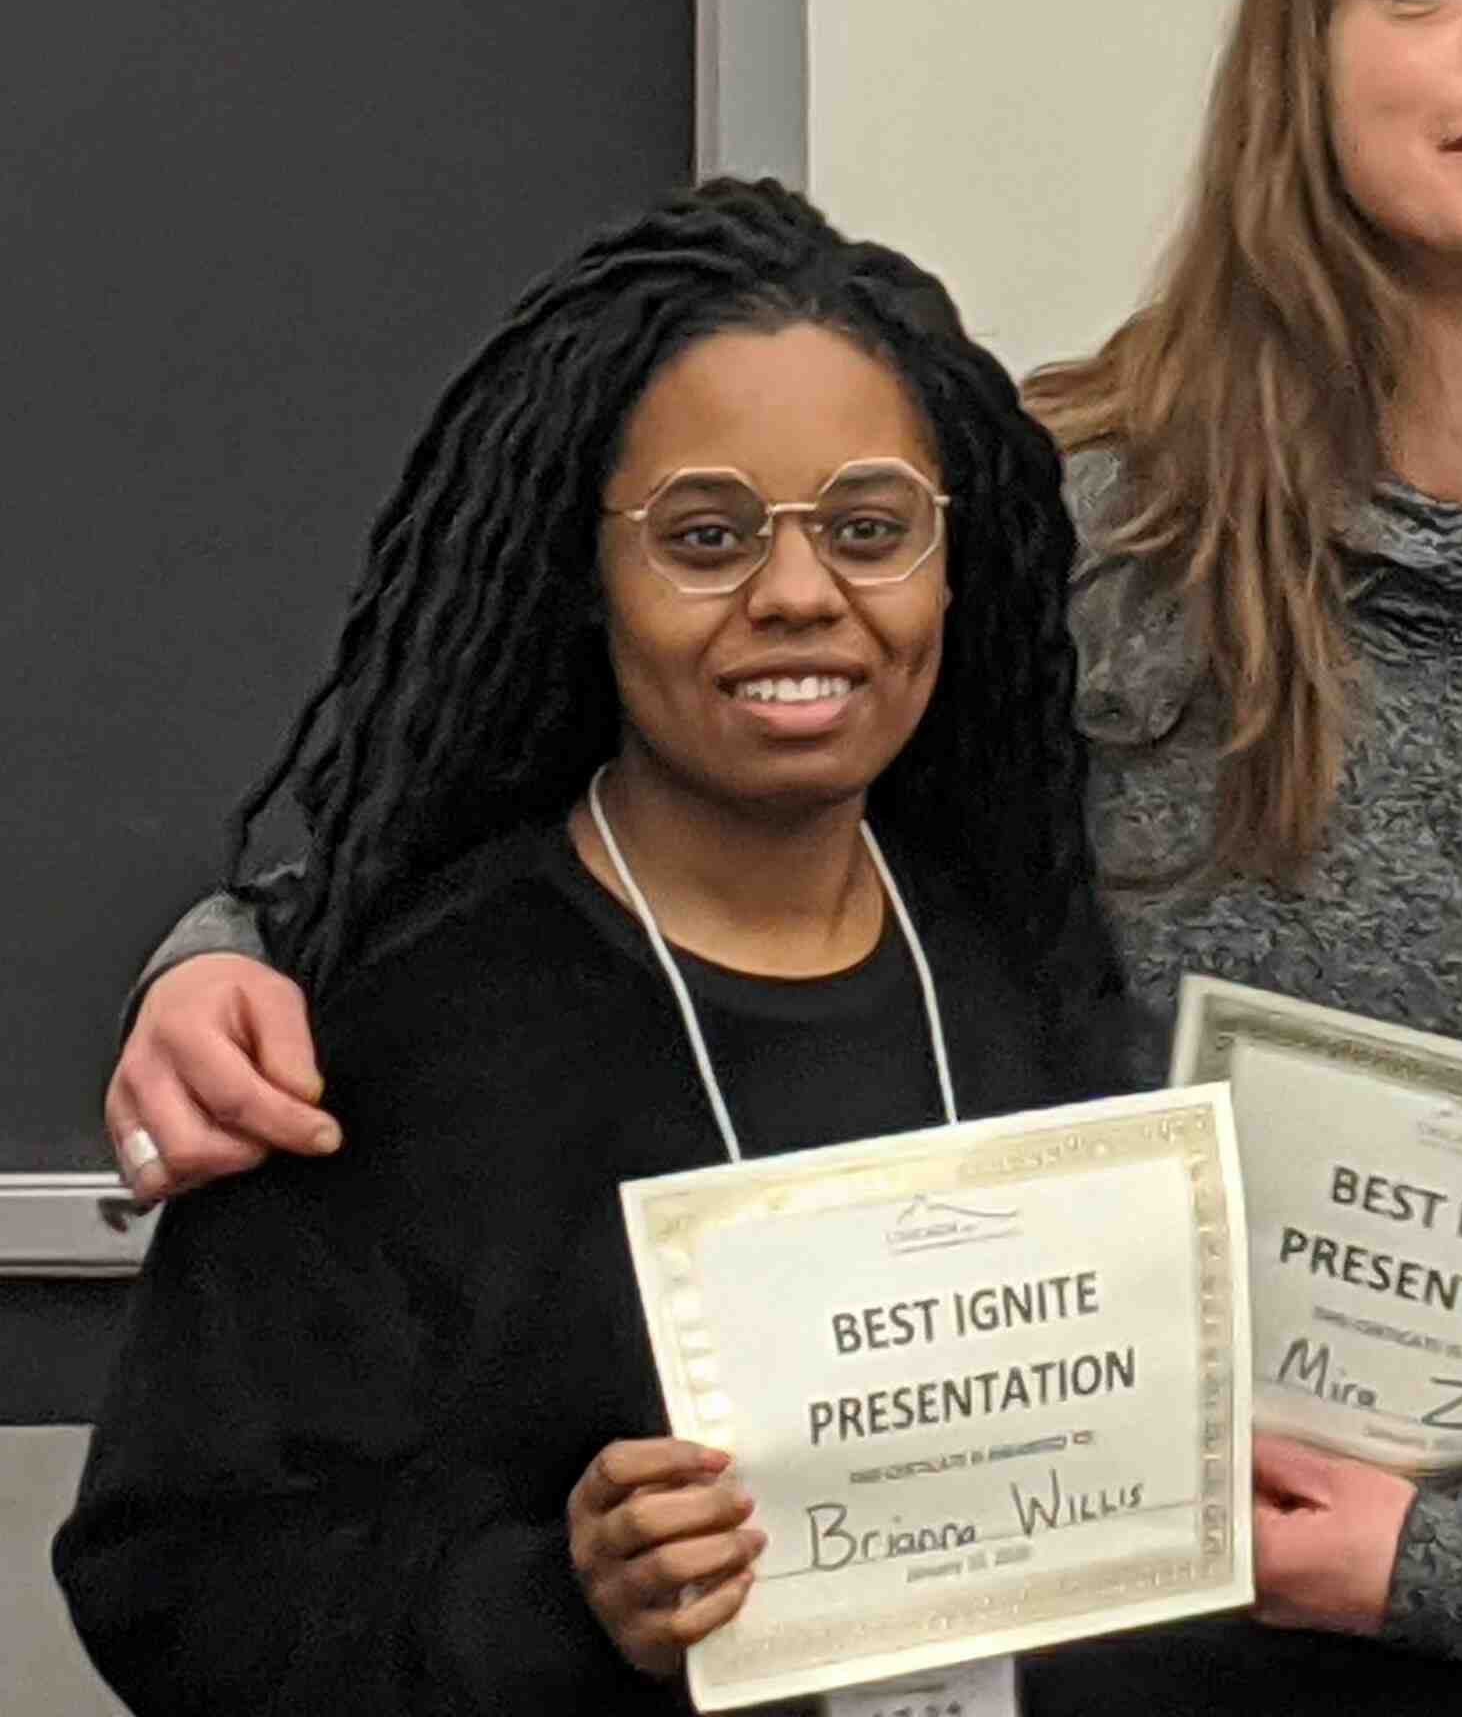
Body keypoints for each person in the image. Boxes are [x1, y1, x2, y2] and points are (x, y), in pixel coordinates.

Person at [95, 0, 1462, 1712]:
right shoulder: (1071, 522)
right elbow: (606, 773)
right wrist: (239, 943)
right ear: (1298, 79)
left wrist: (1460, 1561)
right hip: (1074, 1622)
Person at [55, 180, 1121, 1713]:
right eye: (706, 537)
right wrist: (557, 1603)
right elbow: (172, 1583)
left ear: (957, 562)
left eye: (872, 529)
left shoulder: (1036, 967)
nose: (803, 594)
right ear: (587, 574)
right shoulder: (388, 1036)